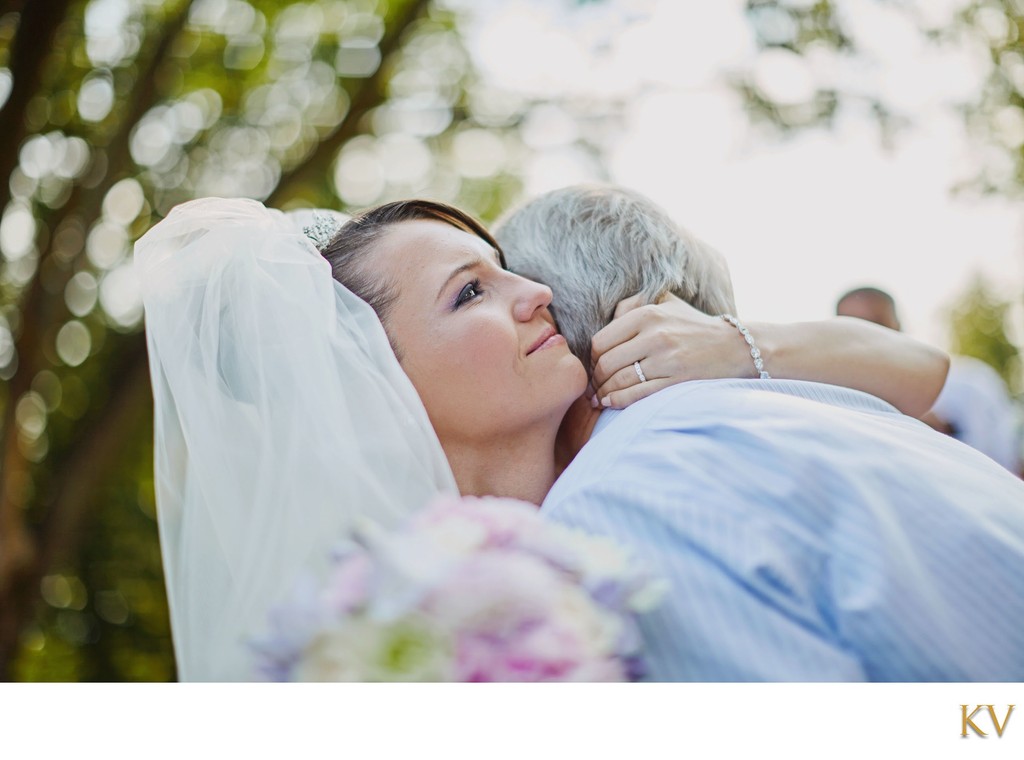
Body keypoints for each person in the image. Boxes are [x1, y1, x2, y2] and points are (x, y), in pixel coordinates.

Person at [137, 192, 1001, 681]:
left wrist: (741, 343)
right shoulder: (570, 537)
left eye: (513, 271)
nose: (536, 294)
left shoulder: (623, 498)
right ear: (377, 379)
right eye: (469, 292)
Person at [836, 285, 1023, 475]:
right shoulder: (831, 405)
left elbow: (1006, 462)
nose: (863, 336)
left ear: (899, 327)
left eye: (875, 324)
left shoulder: (971, 382)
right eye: (850, 327)